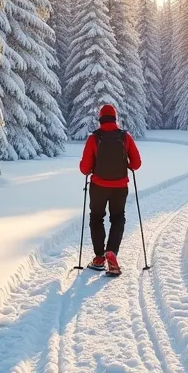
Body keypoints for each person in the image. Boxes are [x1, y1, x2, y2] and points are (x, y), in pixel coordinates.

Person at [78, 104, 142, 276]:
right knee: (118, 218)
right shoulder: (125, 137)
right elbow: (136, 164)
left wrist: (92, 166)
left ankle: (99, 257)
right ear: (115, 118)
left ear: (100, 119)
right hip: (120, 186)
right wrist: (125, 164)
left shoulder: (94, 138)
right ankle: (111, 252)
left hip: (98, 186)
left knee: (97, 218)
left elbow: (85, 168)